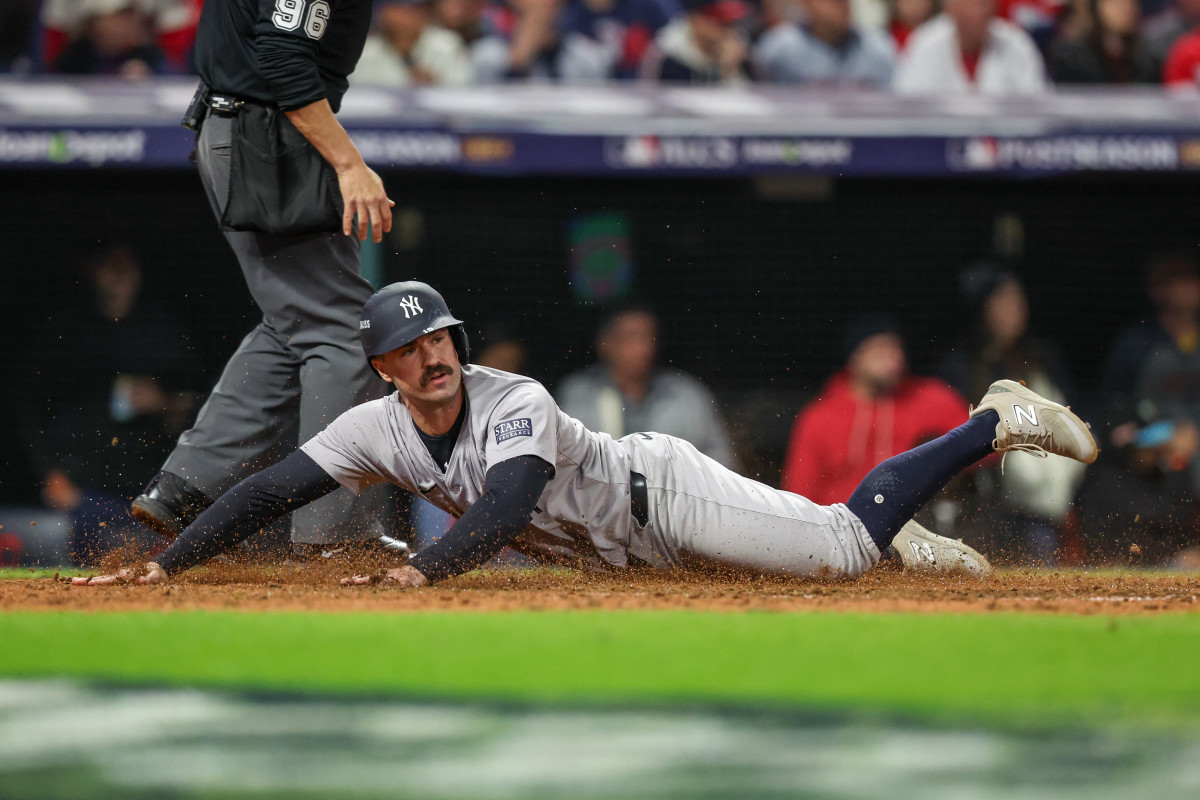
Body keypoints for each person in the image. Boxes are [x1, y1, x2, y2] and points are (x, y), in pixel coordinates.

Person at [73, 281, 1101, 589]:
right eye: (411, 350)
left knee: (838, 548)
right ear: (383, 367)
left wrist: (426, 572)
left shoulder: (511, 396)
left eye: (441, 339)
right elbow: (270, 489)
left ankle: (992, 419)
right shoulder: (374, 423)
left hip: (659, 497)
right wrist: (167, 563)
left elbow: (508, 505)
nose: (434, 357)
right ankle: (900, 540)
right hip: (619, 550)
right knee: (830, 559)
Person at [128, 0, 397, 556]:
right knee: (347, 330)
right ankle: (334, 539)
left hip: (248, 128)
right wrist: (349, 164)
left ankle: (187, 486)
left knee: (296, 320)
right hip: (263, 136)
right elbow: (281, 55)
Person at [21, 243, 199, 565]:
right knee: (81, 568)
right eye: (110, 264)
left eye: (127, 264)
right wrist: (50, 473)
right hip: (84, 485)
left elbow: (196, 405)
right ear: (90, 269)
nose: (120, 273)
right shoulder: (65, 332)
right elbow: (31, 408)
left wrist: (163, 401)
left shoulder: (164, 329)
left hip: (150, 483)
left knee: (157, 568)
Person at [938, 264, 1085, 563]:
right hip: (991, 500)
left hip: (1052, 497)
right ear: (983, 308)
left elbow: (1073, 418)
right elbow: (955, 434)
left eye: (1018, 298)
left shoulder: (1041, 357)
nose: (1014, 307)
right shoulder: (961, 366)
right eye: (1002, 299)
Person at [781, 313, 967, 506]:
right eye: (879, 348)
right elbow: (799, 494)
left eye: (895, 348)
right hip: (841, 521)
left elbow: (982, 447)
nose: (891, 357)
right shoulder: (821, 416)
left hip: (918, 519)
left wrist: (942, 454)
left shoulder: (931, 398)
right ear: (855, 356)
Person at [556, 303, 740, 470]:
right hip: (601, 495)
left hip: (677, 494)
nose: (642, 349)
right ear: (605, 344)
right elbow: (565, 462)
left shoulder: (686, 393)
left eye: (648, 337)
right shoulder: (579, 393)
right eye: (630, 338)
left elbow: (722, 463)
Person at [892, 0, 1049, 93]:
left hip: (1006, 139)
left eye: (990, 3)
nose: (987, 11)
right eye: (979, 3)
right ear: (953, 9)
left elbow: (1038, 108)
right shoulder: (925, 43)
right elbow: (908, 110)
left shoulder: (1017, 44)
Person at [753, 0, 896, 88]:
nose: (842, 6)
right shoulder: (777, 49)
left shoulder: (878, 49)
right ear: (805, 3)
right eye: (833, 1)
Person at [352, 0, 475, 87]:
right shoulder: (363, 52)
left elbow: (464, 91)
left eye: (418, 9)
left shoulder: (447, 44)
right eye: (403, 9)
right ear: (384, 13)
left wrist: (436, 86)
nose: (412, 16)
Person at [556, 0, 680, 81]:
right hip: (586, 97)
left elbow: (676, 42)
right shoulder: (565, 12)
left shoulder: (648, 7)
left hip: (646, 97)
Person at [639, 0, 755, 83]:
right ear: (696, 20)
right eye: (721, 23)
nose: (729, 31)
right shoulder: (667, 56)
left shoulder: (740, 49)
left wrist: (731, 71)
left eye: (732, 24)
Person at [1049, 0, 1160, 84]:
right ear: (1097, 8)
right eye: (1117, 3)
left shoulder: (1148, 58)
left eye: (1131, 2)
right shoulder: (1072, 59)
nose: (1127, 8)